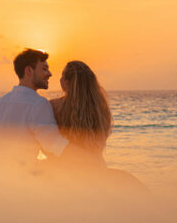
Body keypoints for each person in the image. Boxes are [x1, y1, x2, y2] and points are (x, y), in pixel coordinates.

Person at [50, 61, 149, 194]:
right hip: (96, 169)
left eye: (62, 76)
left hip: (66, 173)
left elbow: (50, 143)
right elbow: (100, 143)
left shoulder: (54, 106)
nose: (60, 79)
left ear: (68, 82)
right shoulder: (101, 109)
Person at [0, 48, 69, 168]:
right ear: (29, 71)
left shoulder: (0, 103)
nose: (50, 74)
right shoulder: (38, 104)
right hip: (16, 179)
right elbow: (54, 146)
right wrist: (87, 157)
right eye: (44, 69)